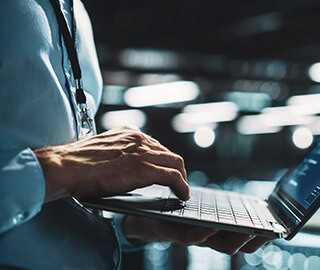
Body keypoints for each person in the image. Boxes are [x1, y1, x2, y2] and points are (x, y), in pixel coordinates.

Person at [0, 0, 269, 268]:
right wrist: (61, 166)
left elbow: (64, 204)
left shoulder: (76, 13)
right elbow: (70, 171)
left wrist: (143, 223)